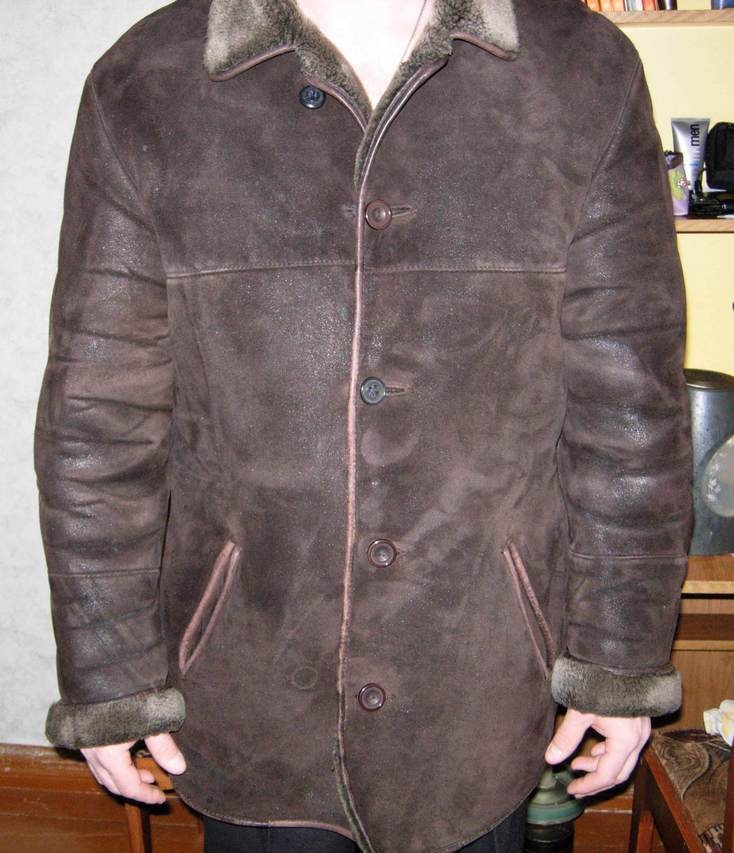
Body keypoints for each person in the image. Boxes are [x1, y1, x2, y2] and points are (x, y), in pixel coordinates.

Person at [33, 0, 693, 851]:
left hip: (477, 691)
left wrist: (619, 655)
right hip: (251, 688)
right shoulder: (147, 82)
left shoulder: (582, 72)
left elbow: (629, 403)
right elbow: (99, 417)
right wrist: (111, 668)